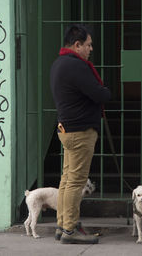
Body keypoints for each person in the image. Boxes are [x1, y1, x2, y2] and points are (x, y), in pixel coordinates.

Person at [50, 24, 111, 244]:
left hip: (67, 129)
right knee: (76, 182)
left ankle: (62, 224)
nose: (90, 49)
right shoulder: (76, 66)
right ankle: (69, 231)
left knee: (67, 180)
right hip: (80, 131)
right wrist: (106, 91)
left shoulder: (59, 63)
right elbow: (98, 93)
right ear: (77, 45)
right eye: (88, 44)